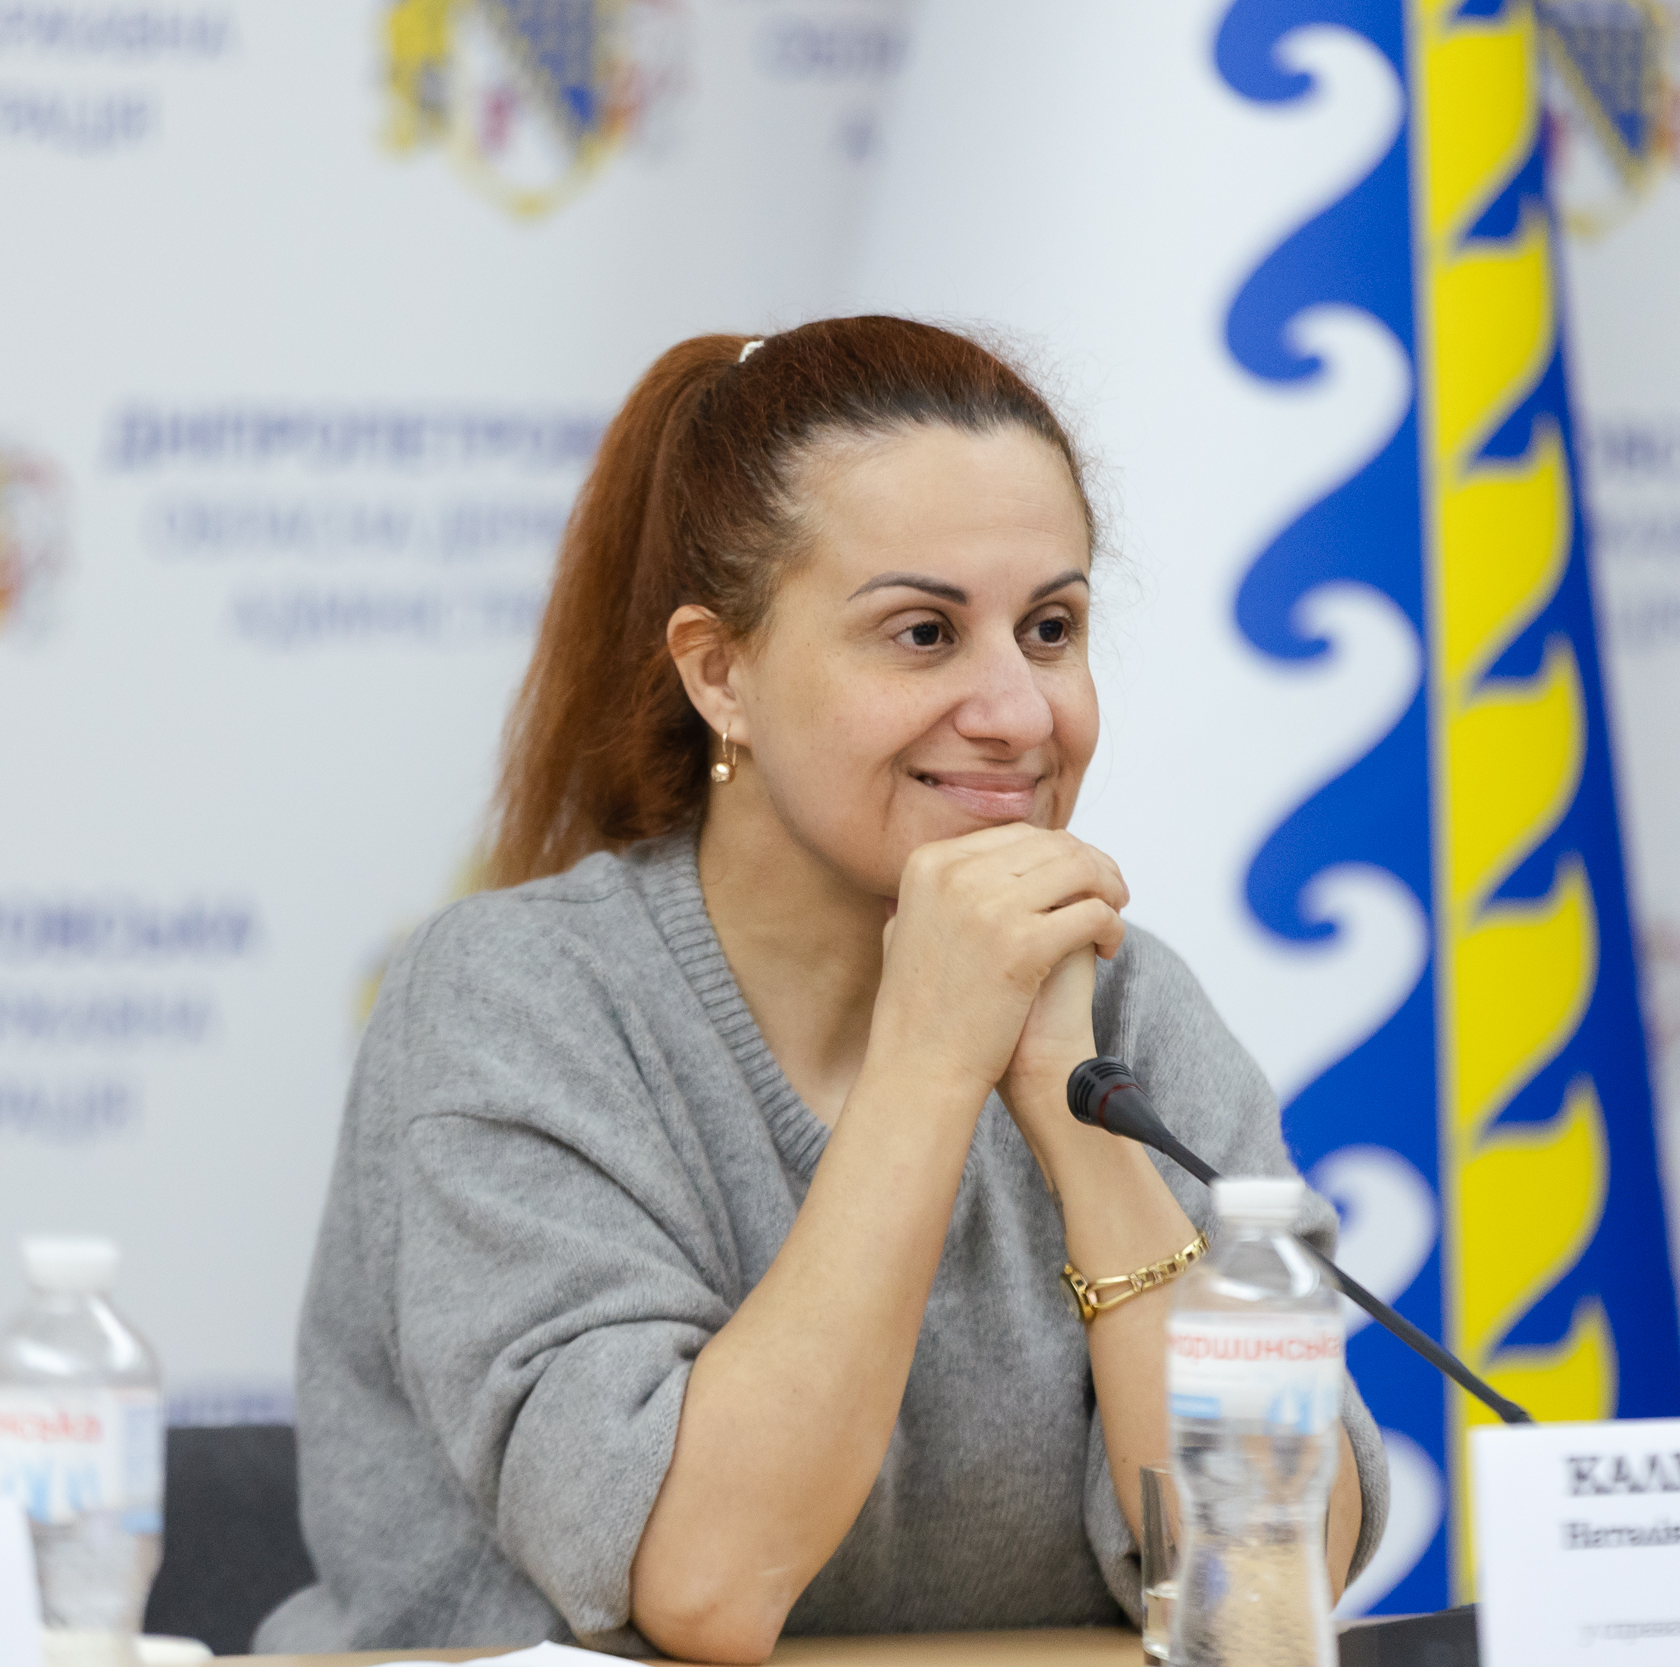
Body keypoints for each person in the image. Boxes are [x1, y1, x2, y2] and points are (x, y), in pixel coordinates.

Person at [257, 317, 1389, 1662]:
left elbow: (1270, 1583)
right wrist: (930, 1062)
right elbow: (707, 1582)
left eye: (1050, 628)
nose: (1019, 712)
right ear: (720, 674)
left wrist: (1076, 1118)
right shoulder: (516, 1000)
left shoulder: (1126, 1003)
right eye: (922, 633)